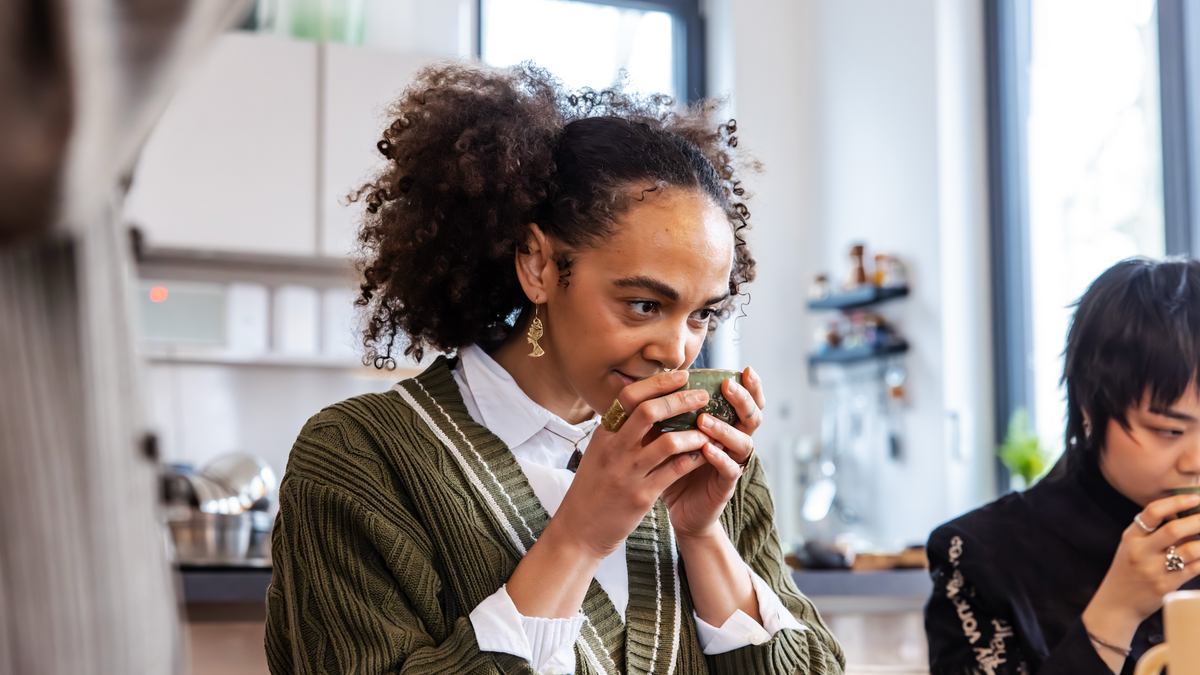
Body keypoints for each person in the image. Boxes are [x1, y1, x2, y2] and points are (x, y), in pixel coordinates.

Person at [264, 63, 844, 675]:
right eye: (643, 304)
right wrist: (578, 538)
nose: (677, 352)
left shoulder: (705, 461)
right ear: (538, 265)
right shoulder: (359, 458)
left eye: (701, 314)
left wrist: (702, 537)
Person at [925, 257, 1200, 674]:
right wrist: (1119, 609)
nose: (1195, 461)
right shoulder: (979, 555)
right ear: (1089, 407)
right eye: (1169, 430)